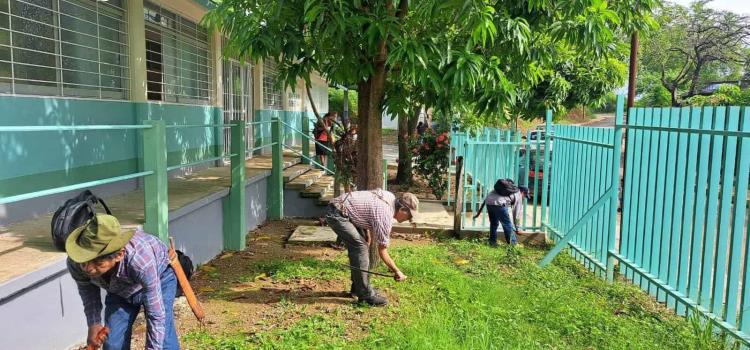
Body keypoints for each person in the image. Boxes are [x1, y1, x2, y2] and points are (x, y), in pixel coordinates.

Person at [66, 214, 179, 350]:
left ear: (119, 255)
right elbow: (88, 292)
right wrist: (94, 323)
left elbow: (156, 315)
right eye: (85, 261)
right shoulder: (76, 262)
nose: (88, 268)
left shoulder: (141, 260)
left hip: (160, 280)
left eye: (97, 262)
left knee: (164, 339)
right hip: (120, 291)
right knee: (113, 344)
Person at [326, 190, 419, 306]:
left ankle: (358, 288)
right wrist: (397, 271)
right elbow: (382, 251)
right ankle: (365, 296)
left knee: (362, 244)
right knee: (360, 247)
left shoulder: (390, 198)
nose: (409, 219)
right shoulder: (385, 215)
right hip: (337, 214)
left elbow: (368, 212)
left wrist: (367, 234)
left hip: (344, 209)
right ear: (402, 209)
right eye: (409, 216)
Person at [474, 180, 527, 247]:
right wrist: (518, 228)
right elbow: (516, 214)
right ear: (523, 192)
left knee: (494, 223)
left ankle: (492, 242)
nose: (524, 198)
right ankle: (513, 245)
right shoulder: (518, 194)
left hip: (489, 202)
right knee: (507, 225)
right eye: (525, 196)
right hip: (499, 204)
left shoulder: (506, 189)